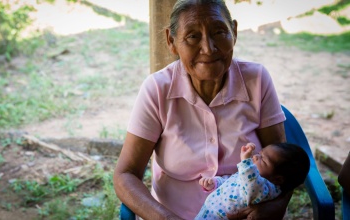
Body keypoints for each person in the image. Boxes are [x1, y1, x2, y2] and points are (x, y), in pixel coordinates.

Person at [113, 0, 291, 219]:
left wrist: (276, 206)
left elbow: (285, 165)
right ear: (171, 41)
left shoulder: (257, 79)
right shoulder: (157, 89)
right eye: (192, 36)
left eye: (219, 32)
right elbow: (126, 174)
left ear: (233, 32)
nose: (208, 48)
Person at [195, 142, 310, 220]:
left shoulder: (266, 189)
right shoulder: (253, 178)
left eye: (263, 160)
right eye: (260, 154)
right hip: (208, 212)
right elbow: (233, 182)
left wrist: (245, 162)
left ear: (278, 179)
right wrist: (216, 183)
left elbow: (251, 187)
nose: (255, 157)